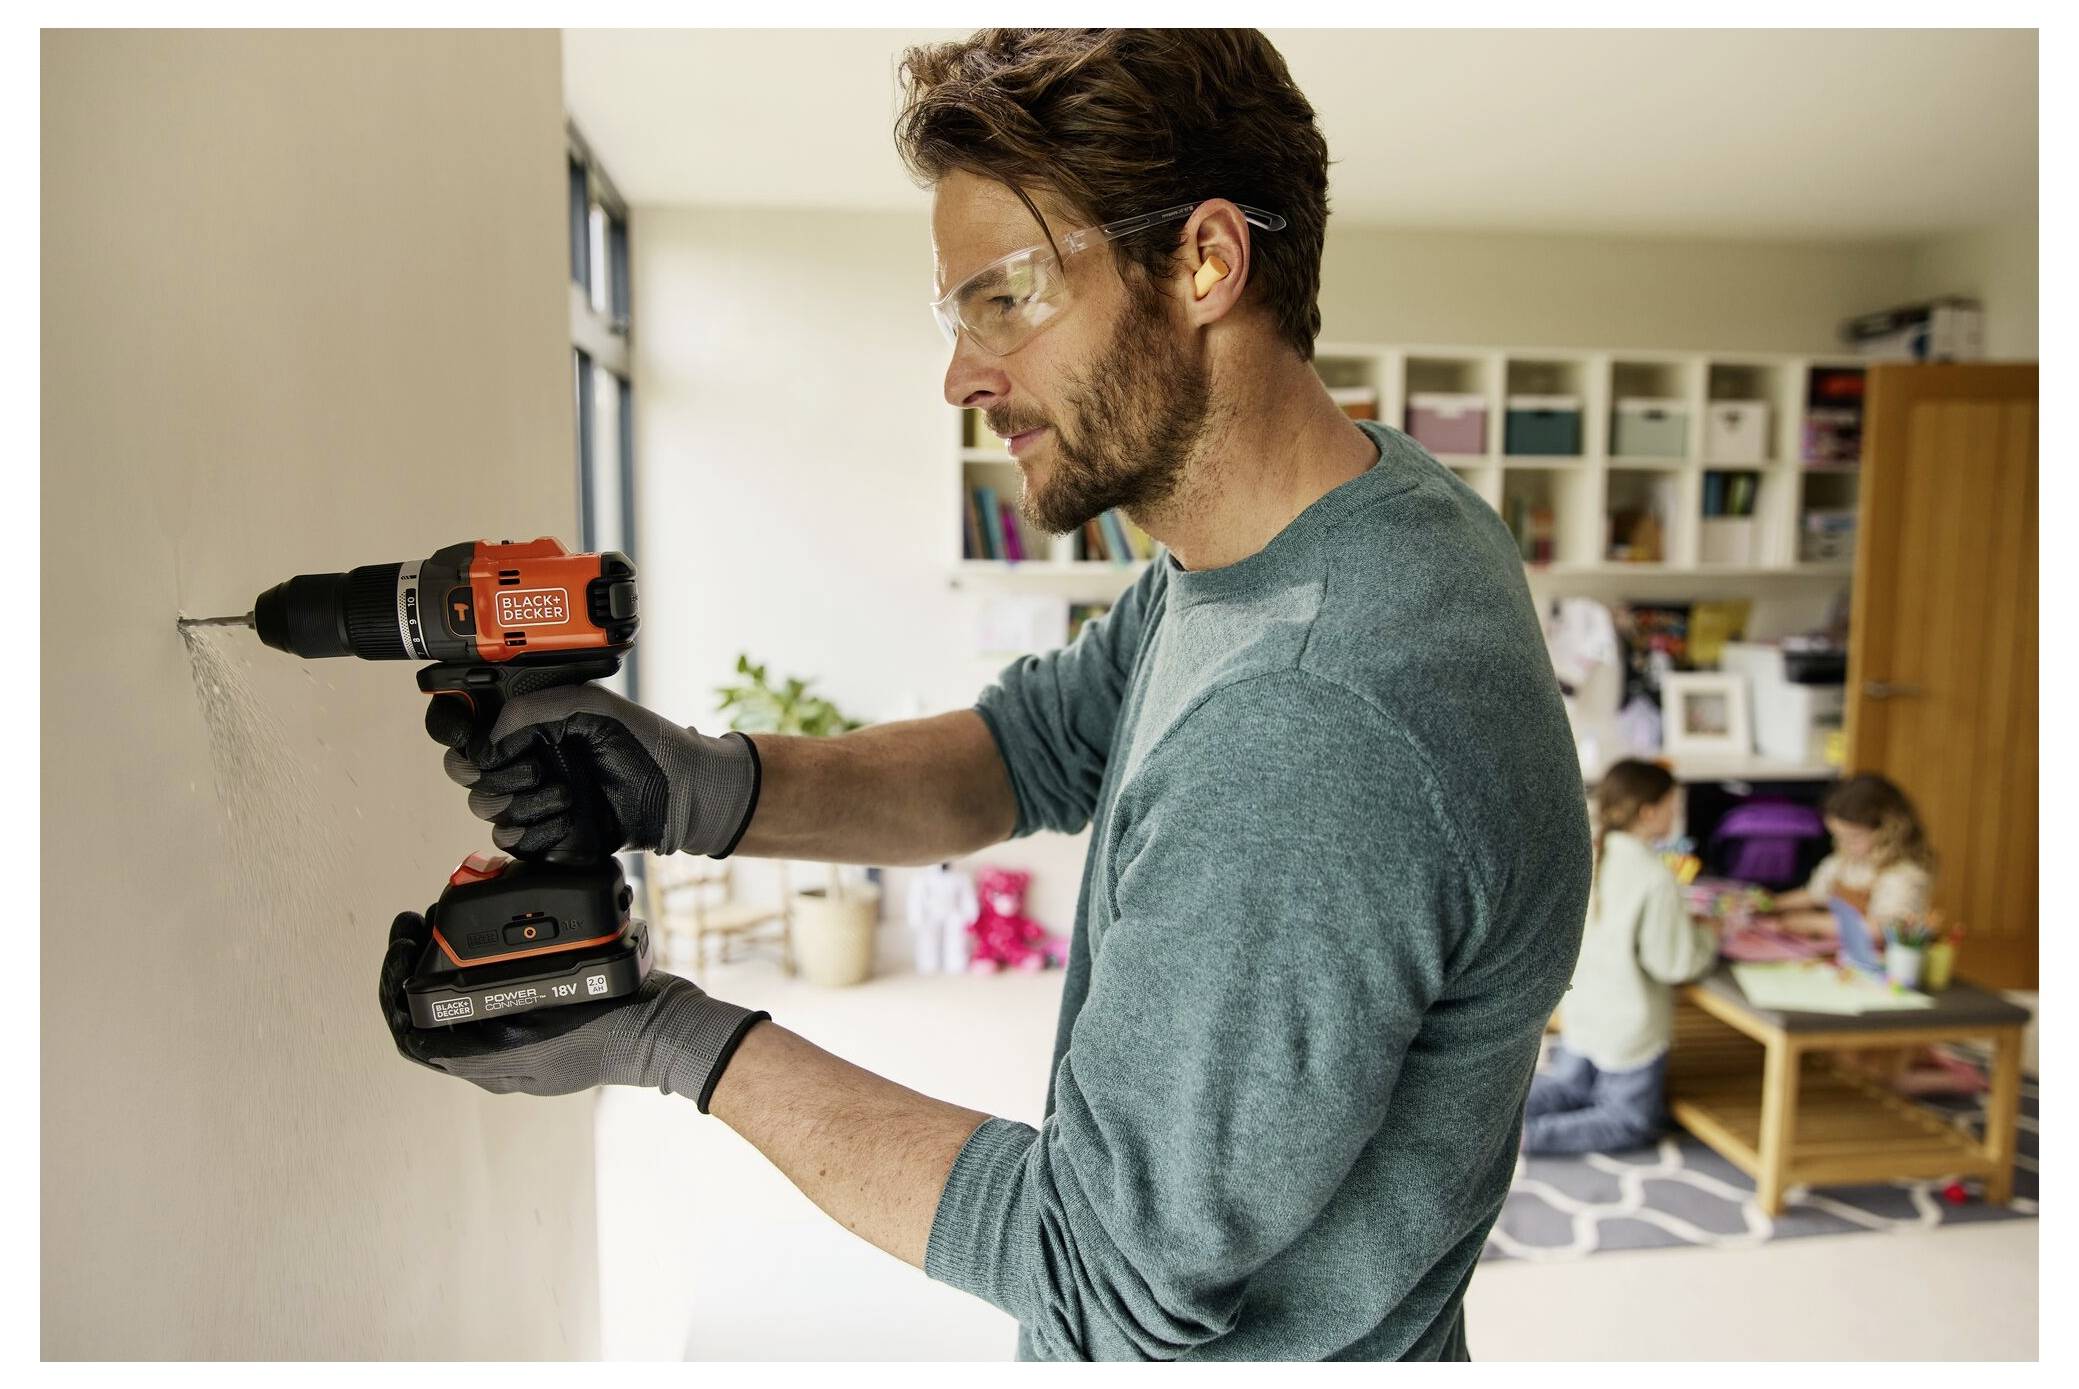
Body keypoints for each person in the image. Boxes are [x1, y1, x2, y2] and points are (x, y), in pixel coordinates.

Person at [380, 29, 1590, 1361]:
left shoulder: (1308, 723)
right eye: (957, 313)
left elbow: (1100, 1273)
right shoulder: (1346, 520)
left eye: (1005, 299)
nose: (961, 374)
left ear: (1202, 261)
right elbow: (1027, 748)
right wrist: (696, 784)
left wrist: (668, 1036)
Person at [1524, 760, 1719, 1155]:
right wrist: (1708, 937)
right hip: (1630, 1026)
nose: (1675, 814)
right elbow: (1673, 963)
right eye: (1672, 805)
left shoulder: (1590, 854)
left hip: (1582, 1012)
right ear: (1649, 812)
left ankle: (1484, 1124)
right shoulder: (1654, 877)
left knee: (1568, 1088)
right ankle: (1525, 1140)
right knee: (1631, 1122)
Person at [1768, 772, 1936, 942]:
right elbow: (1816, 894)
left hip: (1882, 963)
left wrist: (1814, 923)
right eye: (1838, 836)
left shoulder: (1904, 873)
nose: (1844, 845)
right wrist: (1773, 903)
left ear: (1890, 832)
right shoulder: (1847, 860)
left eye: (1854, 837)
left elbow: (1881, 929)